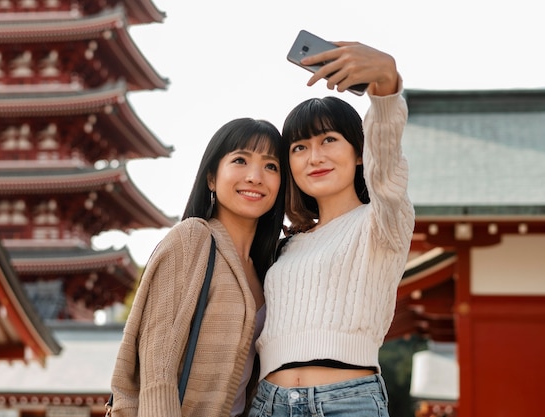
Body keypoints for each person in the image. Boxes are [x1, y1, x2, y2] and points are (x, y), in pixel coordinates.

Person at [249, 41, 415, 417]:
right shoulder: (284, 247)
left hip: (348, 402)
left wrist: (386, 85)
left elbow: (387, 169)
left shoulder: (382, 223)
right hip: (268, 404)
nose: (315, 157)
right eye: (299, 147)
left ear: (359, 152)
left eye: (328, 140)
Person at [109, 118, 287, 417]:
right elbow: (158, 370)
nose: (256, 176)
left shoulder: (269, 269)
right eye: (240, 160)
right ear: (212, 179)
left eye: (271, 166)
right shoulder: (193, 239)